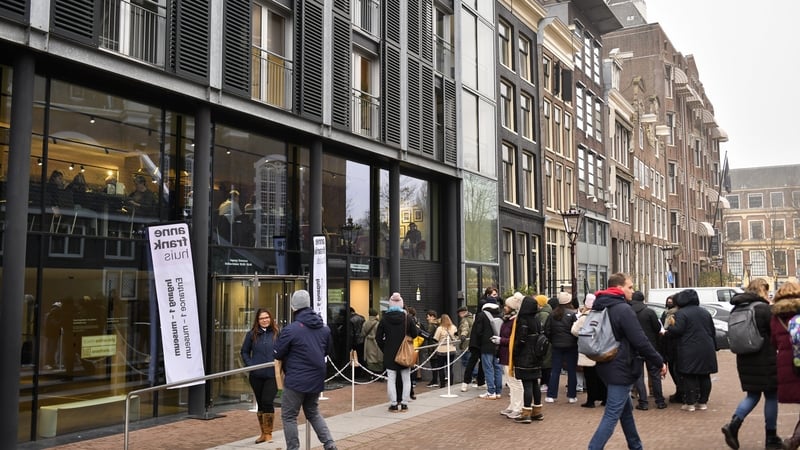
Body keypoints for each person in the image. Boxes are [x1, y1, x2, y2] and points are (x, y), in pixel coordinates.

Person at [587, 273, 666, 450]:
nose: (633, 290)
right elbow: (640, 340)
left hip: (605, 364)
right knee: (612, 414)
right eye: (630, 287)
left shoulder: (600, 306)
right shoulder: (623, 309)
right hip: (621, 367)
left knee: (625, 409)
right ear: (619, 288)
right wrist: (659, 361)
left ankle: (636, 446)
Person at [273, 290, 337, 450]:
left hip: (296, 379)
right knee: (313, 412)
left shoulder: (291, 329)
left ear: (294, 307)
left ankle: (293, 448)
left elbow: (278, 352)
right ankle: (329, 443)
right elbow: (328, 351)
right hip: (316, 378)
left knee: (289, 416)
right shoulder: (324, 328)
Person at [721, 278, 781, 449]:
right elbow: (774, 333)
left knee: (752, 395)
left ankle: (734, 424)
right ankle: (771, 437)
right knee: (771, 395)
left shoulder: (736, 309)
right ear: (763, 290)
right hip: (765, 358)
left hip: (744, 358)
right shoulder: (763, 309)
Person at [665, 289, 718, 412]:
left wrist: (669, 330)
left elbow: (677, 330)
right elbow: (712, 330)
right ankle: (703, 402)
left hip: (688, 348)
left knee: (688, 376)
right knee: (705, 375)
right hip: (706, 348)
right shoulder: (705, 313)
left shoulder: (681, 314)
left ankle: (690, 403)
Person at [240, 308, 281, 444]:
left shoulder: (277, 333)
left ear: (271, 318)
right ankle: (263, 433)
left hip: (272, 374)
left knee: (267, 401)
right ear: (257, 320)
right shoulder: (252, 334)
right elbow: (244, 352)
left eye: (267, 317)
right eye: (262, 318)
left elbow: (284, 350)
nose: (265, 320)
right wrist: (250, 365)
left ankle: (268, 433)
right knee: (261, 404)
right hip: (256, 375)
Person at [770, 281, 800, 450]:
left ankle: (793, 441)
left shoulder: (776, 317)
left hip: (788, 365)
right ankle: (794, 441)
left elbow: (774, 342)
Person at [376, 292, 418, 412]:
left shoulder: (384, 319)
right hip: (405, 353)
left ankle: (394, 404)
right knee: (406, 379)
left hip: (389, 353)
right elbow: (415, 334)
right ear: (401, 304)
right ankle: (404, 403)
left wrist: (385, 348)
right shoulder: (407, 318)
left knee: (391, 380)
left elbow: (378, 337)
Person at [630, 290, 666, 410]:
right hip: (650, 346)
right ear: (643, 299)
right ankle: (659, 401)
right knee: (655, 374)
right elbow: (657, 328)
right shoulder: (649, 312)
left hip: (635, 347)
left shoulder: (628, 312)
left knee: (639, 376)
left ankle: (643, 402)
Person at [511, 295, 545, 423]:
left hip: (525, 356)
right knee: (535, 383)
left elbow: (521, 339)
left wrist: (515, 352)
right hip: (536, 355)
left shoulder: (523, 320)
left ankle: (526, 413)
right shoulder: (536, 319)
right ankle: (537, 411)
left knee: (527, 384)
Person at [572, 294, 607, 408]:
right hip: (600, 348)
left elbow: (574, 330)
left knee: (589, 376)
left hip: (588, 349)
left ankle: (591, 400)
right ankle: (604, 398)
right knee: (601, 375)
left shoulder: (583, 317)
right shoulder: (603, 316)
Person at [544, 291, 578, 404]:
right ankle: (572, 396)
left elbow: (547, 330)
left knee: (555, 370)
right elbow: (576, 330)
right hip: (571, 346)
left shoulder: (552, 314)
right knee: (572, 371)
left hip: (556, 345)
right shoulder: (572, 314)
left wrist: (552, 340)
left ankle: (551, 395)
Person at [498, 293, 524, 419]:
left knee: (515, 382)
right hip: (505, 354)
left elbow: (514, 340)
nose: (504, 308)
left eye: (507, 306)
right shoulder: (508, 320)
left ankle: (518, 407)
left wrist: (500, 340)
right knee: (510, 382)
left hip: (511, 355)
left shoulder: (515, 322)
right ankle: (513, 405)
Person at [474, 302, 503, 399]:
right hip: (498, 344)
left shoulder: (482, 315)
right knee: (498, 368)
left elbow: (478, 332)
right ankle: (498, 391)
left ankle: (491, 391)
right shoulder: (500, 314)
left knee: (488, 368)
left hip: (486, 345)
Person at [432, 313, 458, 388]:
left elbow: (435, 339)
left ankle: (442, 384)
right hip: (452, 350)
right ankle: (451, 384)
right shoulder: (454, 327)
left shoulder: (440, 328)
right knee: (450, 368)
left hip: (441, 351)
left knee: (441, 368)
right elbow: (456, 337)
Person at [535, 294, 553, 394]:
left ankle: (545, 383)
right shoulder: (546, 312)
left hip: (544, 342)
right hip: (546, 341)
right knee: (546, 362)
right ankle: (545, 383)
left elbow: (542, 328)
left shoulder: (543, 314)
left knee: (545, 363)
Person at [457, 306, 477, 392]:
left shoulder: (465, 320)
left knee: (466, 362)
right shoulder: (472, 318)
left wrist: (462, 335)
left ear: (462, 313)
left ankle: (476, 375)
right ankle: (477, 376)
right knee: (471, 362)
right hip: (473, 344)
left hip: (466, 345)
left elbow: (465, 328)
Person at [359, 308, 383, 375]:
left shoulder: (365, 323)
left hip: (368, 343)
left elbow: (363, 334)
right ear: (376, 315)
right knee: (378, 358)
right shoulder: (378, 324)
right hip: (377, 342)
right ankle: (378, 374)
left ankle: (371, 374)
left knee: (370, 358)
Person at [43, 301, 63, 369]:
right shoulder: (54, 312)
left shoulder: (51, 312)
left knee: (52, 349)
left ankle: (51, 363)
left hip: (51, 334)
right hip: (52, 334)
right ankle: (49, 363)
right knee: (51, 349)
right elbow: (54, 323)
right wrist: (60, 323)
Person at [424, 310, 440, 387]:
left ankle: (434, 380)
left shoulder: (431, 325)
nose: (427, 318)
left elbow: (428, 335)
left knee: (434, 364)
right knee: (437, 364)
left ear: (432, 316)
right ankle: (435, 380)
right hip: (438, 346)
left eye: (428, 316)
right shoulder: (438, 325)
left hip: (432, 347)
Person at [349, 307, 366, 378]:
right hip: (362, 340)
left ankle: (355, 373)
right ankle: (361, 373)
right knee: (360, 356)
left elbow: (351, 333)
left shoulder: (350, 320)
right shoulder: (362, 318)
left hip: (355, 341)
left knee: (354, 357)